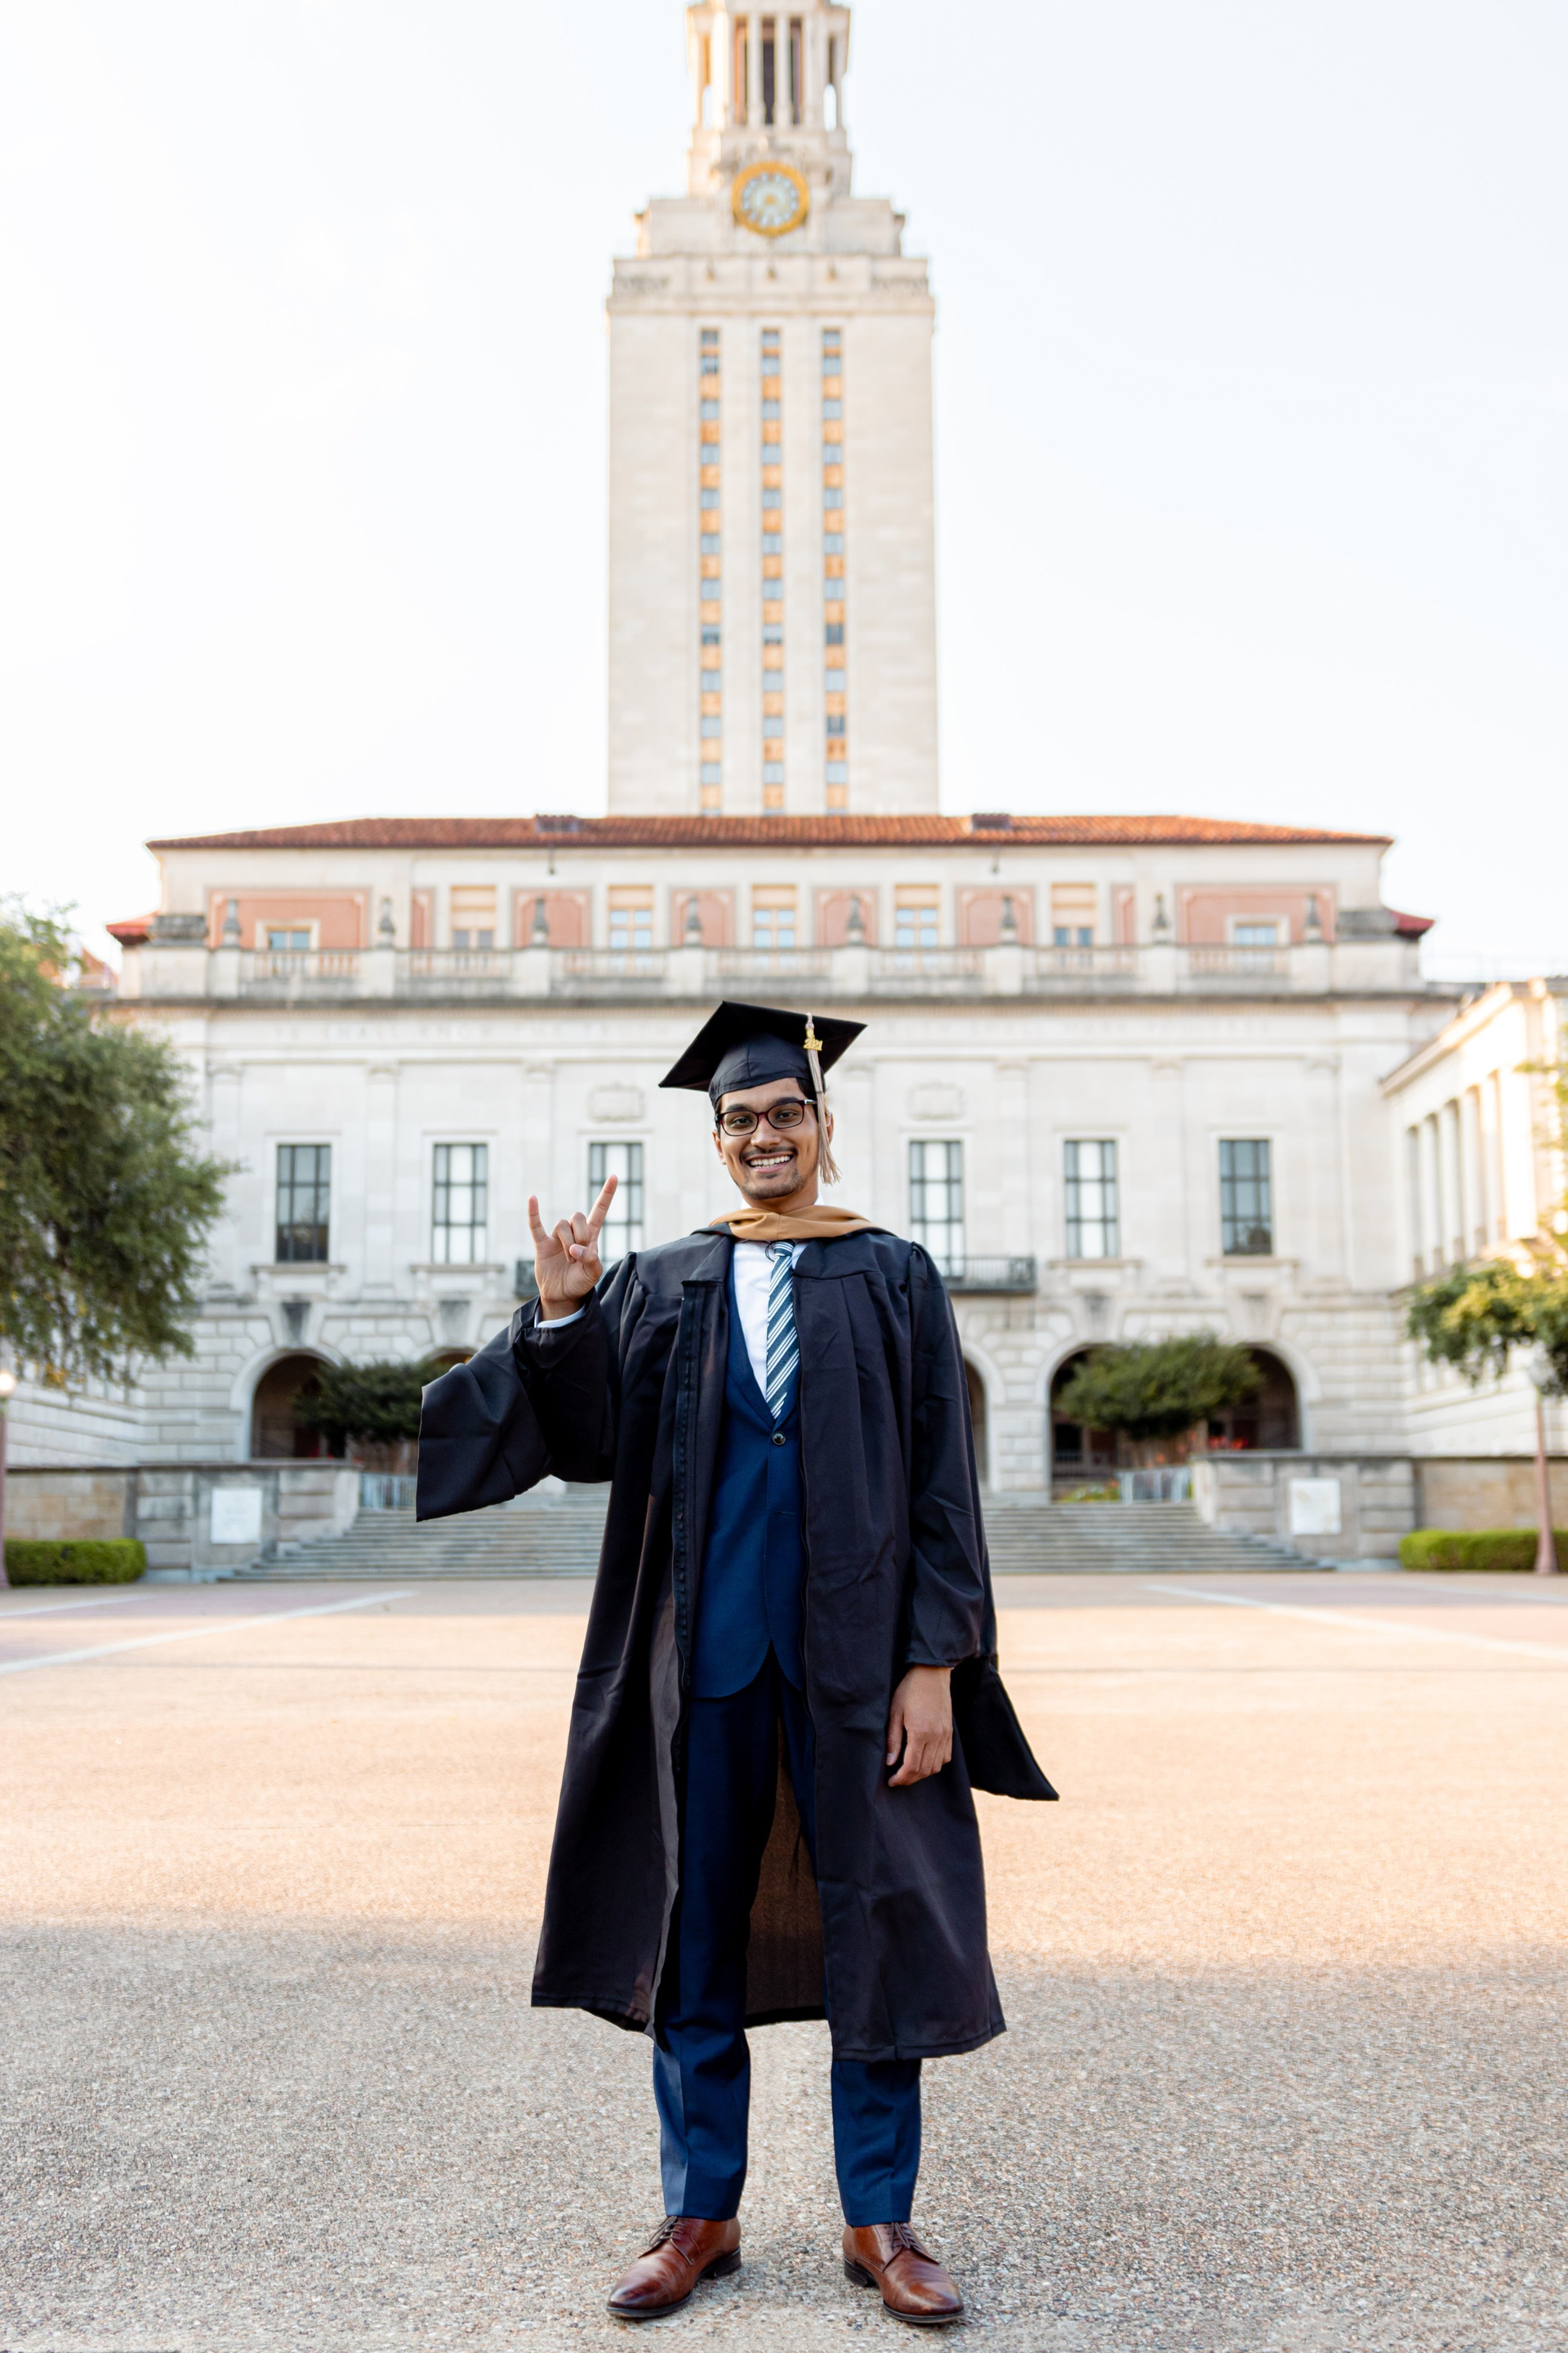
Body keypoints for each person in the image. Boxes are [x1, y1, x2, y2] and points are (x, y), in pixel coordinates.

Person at [417, 1002, 1054, 2326]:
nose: (765, 1135)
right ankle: (700, 2211)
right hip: (699, 1662)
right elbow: (591, 1441)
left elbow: (944, 1481)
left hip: (857, 1665)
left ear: (824, 1124)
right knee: (691, 1927)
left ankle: (879, 2217)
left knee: (877, 1922)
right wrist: (563, 1312)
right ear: (717, 1140)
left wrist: (935, 1660)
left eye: (785, 1113)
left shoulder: (893, 1273)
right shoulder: (665, 1278)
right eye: (741, 1119)